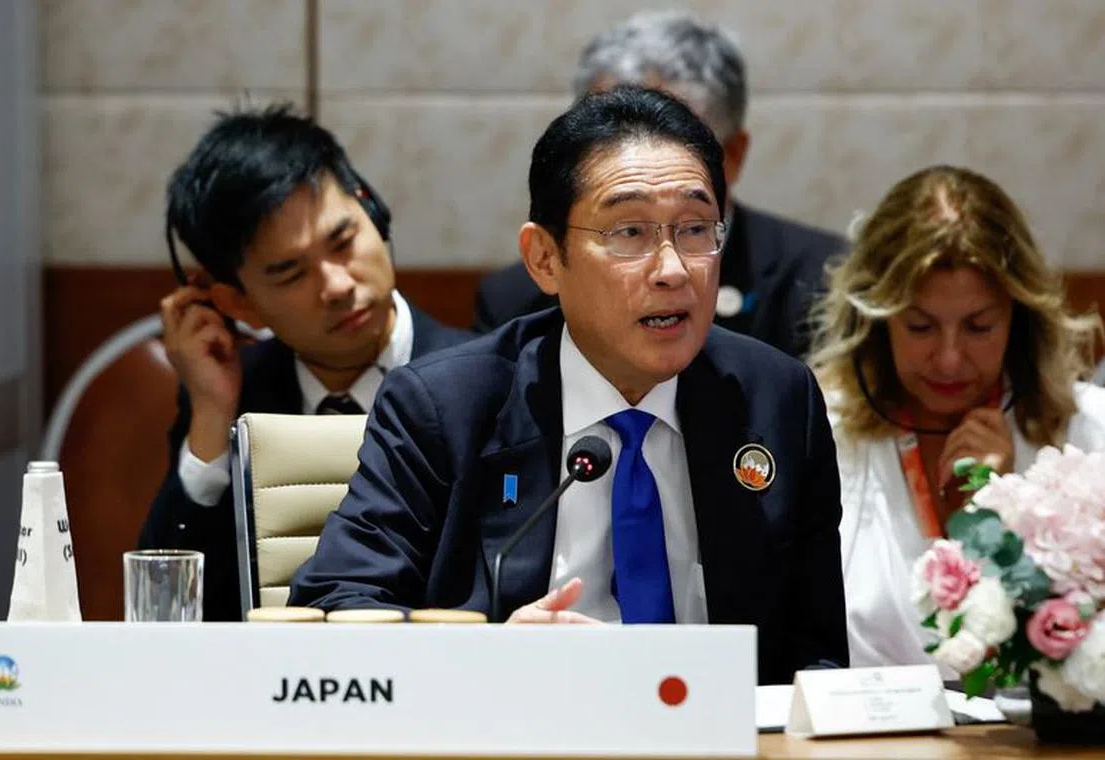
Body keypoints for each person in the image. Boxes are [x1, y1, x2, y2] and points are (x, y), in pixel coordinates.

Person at [291, 86, 848, 685]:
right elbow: (334, 607)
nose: (672, 269)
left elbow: (816, 655)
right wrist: (485, 661)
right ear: (545, 260)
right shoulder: (445, 407)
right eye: (628, 233)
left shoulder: (778, 399)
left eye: (695, 229)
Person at [138, 104, 470, 622]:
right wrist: (210, 420)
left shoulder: (486, 379)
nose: (338, 286)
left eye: (343, 242)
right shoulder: (233, 400)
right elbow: (174, 613)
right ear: (237, 303)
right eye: (290, 273)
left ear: (374, 211)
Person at [809, 165, 1105, 668]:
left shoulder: (1088, 431)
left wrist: (1013, 509)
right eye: (920, 327)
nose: (949, 359)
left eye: (978, 326)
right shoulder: (818, 431)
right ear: (877, 321)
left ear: (1020, 317)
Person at [472, 10, 844, 358]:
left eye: (673, 135)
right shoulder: (514, 301)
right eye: (611, 134)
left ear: (733, 154)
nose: (639, 154)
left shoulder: (823, 282)